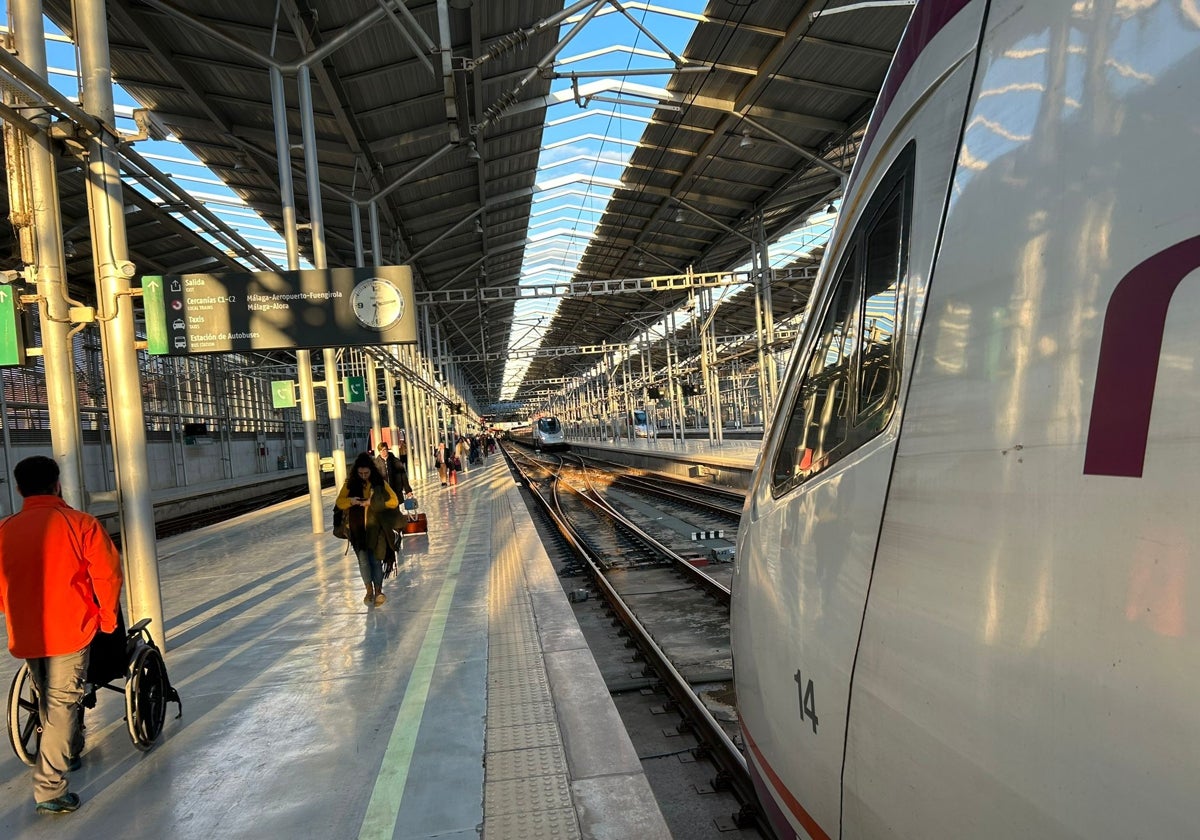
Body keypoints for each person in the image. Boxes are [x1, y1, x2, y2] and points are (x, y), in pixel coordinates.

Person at [0, 455, 123, 815]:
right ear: (57, 485)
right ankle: (50, 786)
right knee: (62, 703)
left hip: (27, 632)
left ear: (20, 489)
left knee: (45, 697)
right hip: (70, 631)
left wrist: (13, 611)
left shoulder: (5, 529)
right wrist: (107, 620)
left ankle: (65, 750)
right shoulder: (80, 524)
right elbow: (108, 576)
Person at [335, 452, 399, 606]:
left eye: (366, 473)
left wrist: (374, 502)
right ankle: (368, 590)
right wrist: (351, 501)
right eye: (360, 473)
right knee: (363, 562)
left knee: (375, 561)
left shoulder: (379, 483)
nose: (363, 476)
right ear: (356, 472)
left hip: (376, 529)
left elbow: (394, 501)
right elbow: (339, 502)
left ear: (371, 470)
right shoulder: (349, 484)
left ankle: (378, 591)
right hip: (356, 531)